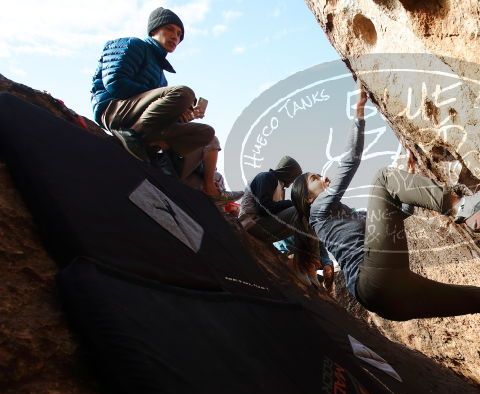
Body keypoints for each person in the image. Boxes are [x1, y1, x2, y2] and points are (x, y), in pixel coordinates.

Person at [289, 88, 480, 394]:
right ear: (307, 196)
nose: (323, 178)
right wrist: (358, 112)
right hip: (372, 282)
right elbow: (351, 161)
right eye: (315, 178)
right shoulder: (318, 212)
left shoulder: (348, 216)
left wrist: (406, 180)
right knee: (381, 176)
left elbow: (398, 216)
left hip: (394, 297)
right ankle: (462, 208)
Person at [90, 7, 240, 202]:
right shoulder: (132, 45)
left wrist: (181, 115)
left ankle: (149, 142)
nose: (175, 37)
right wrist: (163, 97)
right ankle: (133, 134)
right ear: (154, 30)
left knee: (207, 133)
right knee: (185, 93)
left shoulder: (161, 77)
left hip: (142, 119)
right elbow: (115, 83)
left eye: (179, 34)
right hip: (114, 109)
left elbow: (156, 109)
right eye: (170, 29)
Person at [239, 156, 335, 291]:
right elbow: (264, 208)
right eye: (293, 177)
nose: (293, 182)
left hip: (266, 228)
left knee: (308, 218)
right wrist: (291, 204)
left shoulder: (280, 188)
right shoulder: (267, 177)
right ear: (287, 171)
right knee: (300, 211)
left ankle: (310, 267)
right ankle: (301, 266)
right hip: (252, 223)